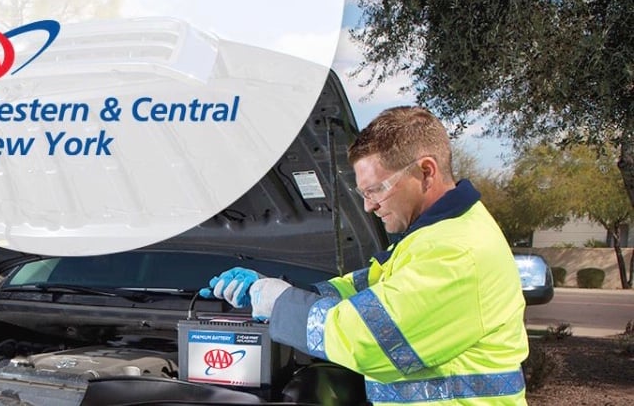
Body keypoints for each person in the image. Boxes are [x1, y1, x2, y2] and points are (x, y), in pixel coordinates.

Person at [203, 106, 528, 406]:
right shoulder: (430, 239)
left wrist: (281, 302)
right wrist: (285, 289)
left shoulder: (458, 252)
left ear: (426, 172)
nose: (368, 206)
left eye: (376, 190)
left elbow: (366, 336)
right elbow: (366, 288)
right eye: (363, 193)